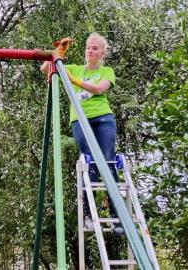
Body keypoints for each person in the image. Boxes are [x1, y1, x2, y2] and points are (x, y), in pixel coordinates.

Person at [41, 33, 123, 235]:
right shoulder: (74, 68)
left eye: (95, 48)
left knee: (108, 162)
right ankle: (88, 215)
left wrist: (74, 81)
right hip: (79, 119)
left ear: (102, 52)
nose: (90, 50)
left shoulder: (106, 71)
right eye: (88, 47)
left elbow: (98, 89)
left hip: (103, 118)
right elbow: (46, 68)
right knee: (89, 163)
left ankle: (115, 217)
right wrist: (59, 50)